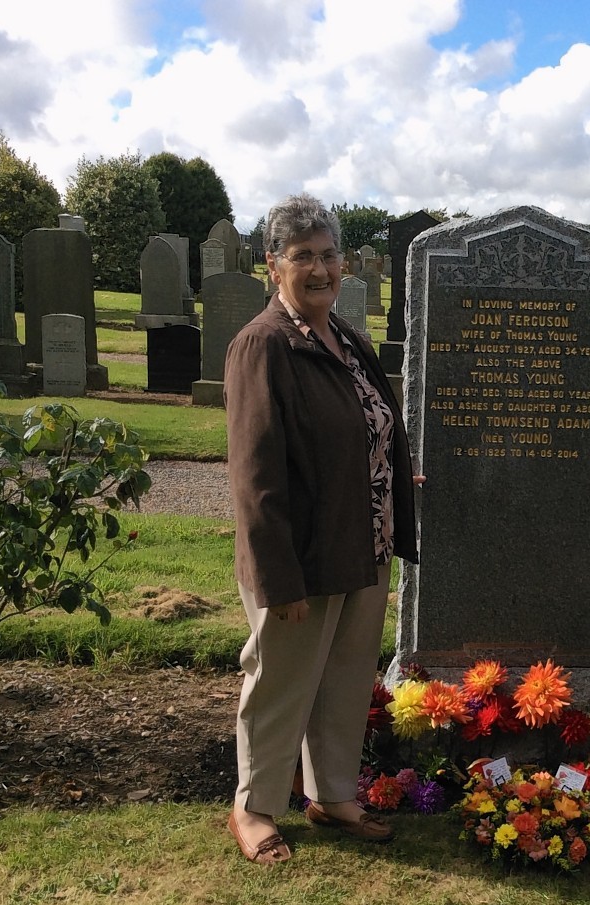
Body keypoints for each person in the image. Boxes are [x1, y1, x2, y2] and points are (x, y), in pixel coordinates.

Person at [223, 193, 420, 865]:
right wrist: (280, 578)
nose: (319, 269)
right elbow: (256, 476)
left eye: (329, 255)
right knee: (280, 680)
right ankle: (253, 808)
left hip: (362, 542)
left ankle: (332, 795)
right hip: (300, 557)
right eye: (302, 256)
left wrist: (393, 480)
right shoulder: (262, 346)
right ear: (273, 266)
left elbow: (369, 432)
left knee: (341, 680)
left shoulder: (347, 337)